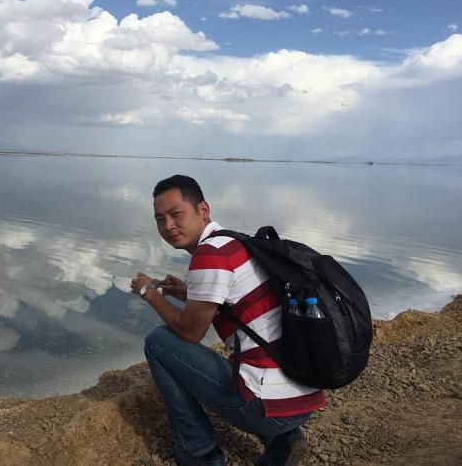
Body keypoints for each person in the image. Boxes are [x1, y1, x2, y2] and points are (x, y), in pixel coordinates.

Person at [130, 175, 325, 466]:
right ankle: (284, 438)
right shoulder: (234, 242)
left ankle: (199, 453)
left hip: (266, 408)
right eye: (160, 219)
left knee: (159, 342)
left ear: (203, 210)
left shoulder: (209, 255)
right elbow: (236, 304)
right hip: (304, 396)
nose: (168, 225)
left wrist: (148, 292)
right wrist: (187, 293)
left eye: (176, 214)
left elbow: (189, 332)